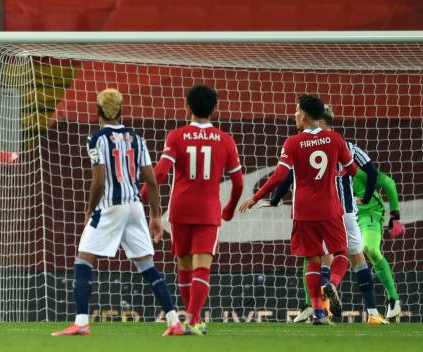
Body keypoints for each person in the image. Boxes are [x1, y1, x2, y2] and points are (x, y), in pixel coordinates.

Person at [52, 89, 183, 337]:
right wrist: (155, 215)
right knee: (146, 264)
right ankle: (174, 321)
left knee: (83, 259)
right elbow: (152, 181)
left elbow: (99, 182)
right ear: (121, 111)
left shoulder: (95, 139)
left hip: (110, 206)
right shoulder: (137, 138)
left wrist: (90, 211)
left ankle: (81, 322)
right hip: (134, 206)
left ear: (98, 111)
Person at [239, 95, 357, 325]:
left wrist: (255, 197)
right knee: (341, 253)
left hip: (303, 209)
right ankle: (332, 284)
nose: (293, 115)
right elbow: (352, 170)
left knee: (311, 260)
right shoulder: (335, 139)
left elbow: (280, 176)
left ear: (304, 116)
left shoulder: (292, 143)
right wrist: (336, 174)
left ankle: (318, 314)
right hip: (329, 207)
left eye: (296, 111)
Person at [265, 105, 388, 324]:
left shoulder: (304, 145)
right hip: (347, 211)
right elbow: (372, 172)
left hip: (322, 211)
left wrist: (273, 200)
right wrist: (367, 198)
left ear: (318, 121)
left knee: (320, 259)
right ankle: (371, 313)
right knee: (357, 258)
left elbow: (287, 176)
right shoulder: (347, 145)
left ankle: (320, 310)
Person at [141, 84, 244, 335]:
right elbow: (239, 182)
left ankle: (191, 320)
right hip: (208, 211)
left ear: (187, 107)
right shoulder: (225, 140)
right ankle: (194, 319)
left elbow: (162, 172)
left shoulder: (176, 136)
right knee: (202, 267)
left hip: (180, 210)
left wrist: (140, 194)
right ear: (214, 110)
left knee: (184, 265)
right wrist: (229, 208)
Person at [353, 167, 405, 318]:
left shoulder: (357, 172)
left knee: (370, 249)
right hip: (342, 217)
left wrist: (395, 215)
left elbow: (388, 182)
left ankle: (393, 299)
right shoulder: (326, 173)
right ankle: (312, 305)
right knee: (319, 253)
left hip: (368, 214)